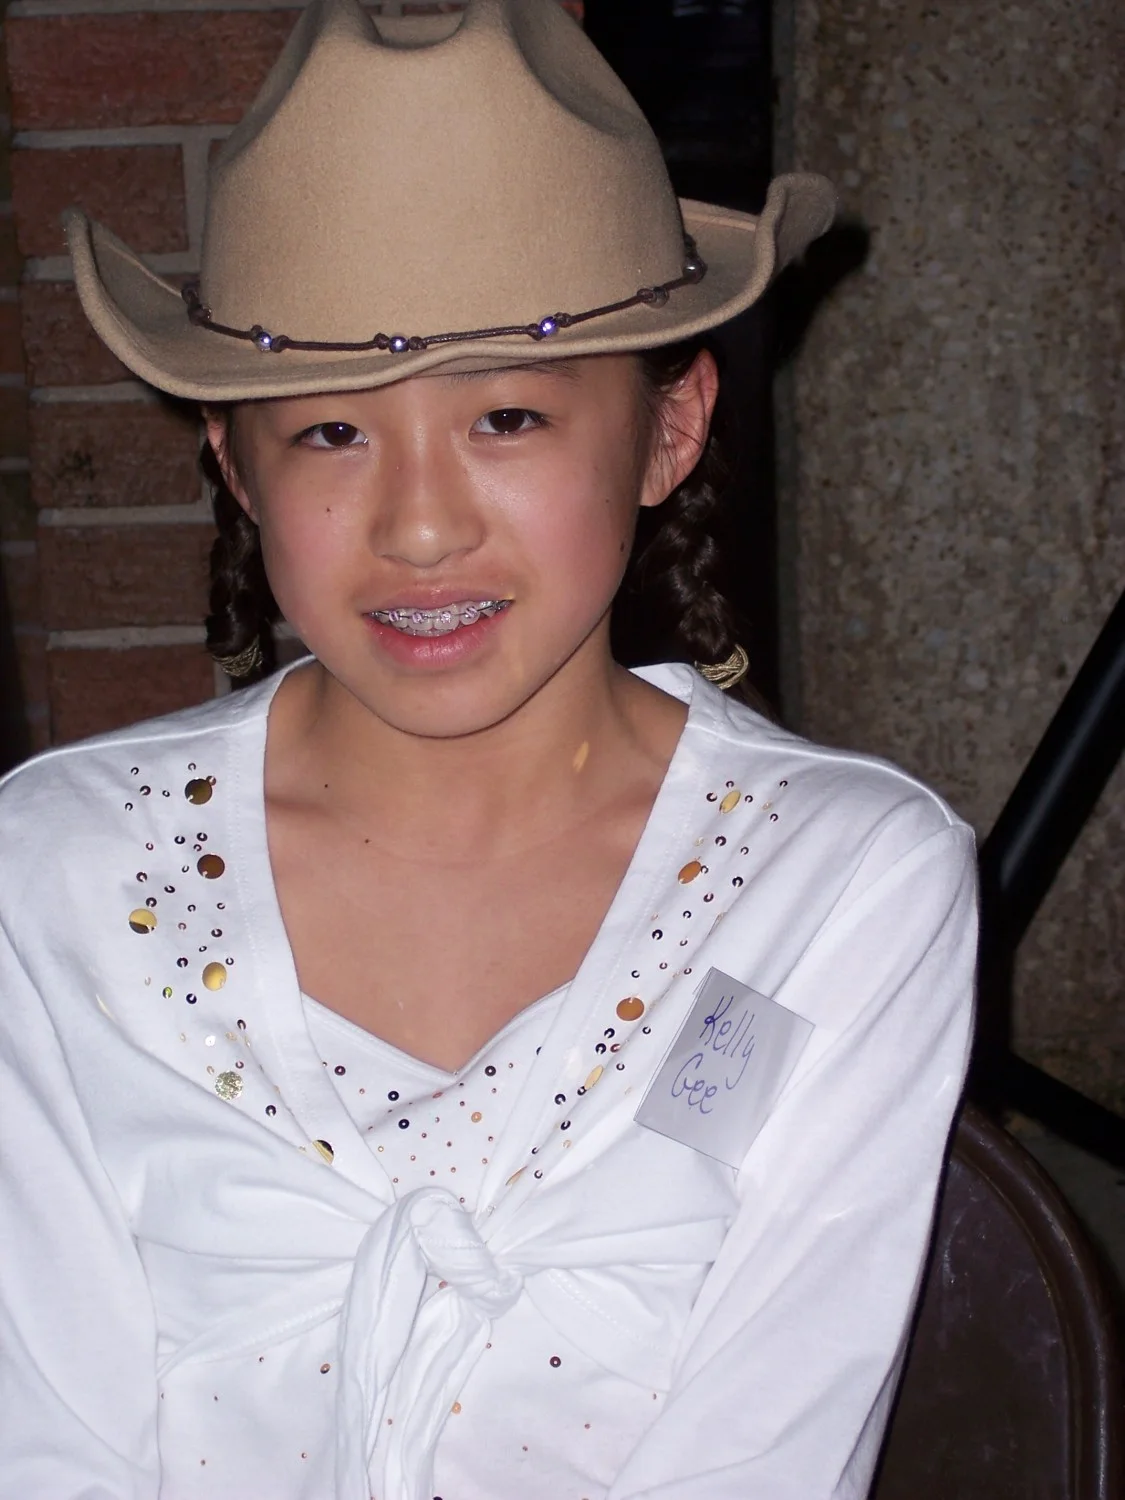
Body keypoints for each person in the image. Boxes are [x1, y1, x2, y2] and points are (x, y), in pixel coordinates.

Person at [0, 1, 976, 1497]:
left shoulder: (840, 884)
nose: (420, 526)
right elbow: (46, 1437)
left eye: (507, 418)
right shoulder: (57, 873)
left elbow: (766, 1447)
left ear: (669, 429)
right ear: (234, 465)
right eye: (331, 433)